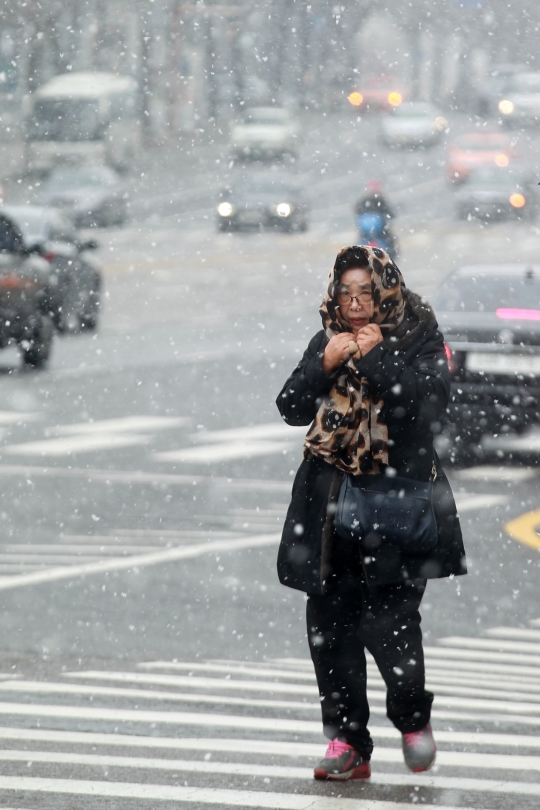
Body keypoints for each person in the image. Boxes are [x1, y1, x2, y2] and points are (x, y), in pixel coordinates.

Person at [276, 245, 466, 780]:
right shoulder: (327, 339)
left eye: (365, 292)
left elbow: (427, 406)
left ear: (386, 290)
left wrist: (378, 358)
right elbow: (291, 407)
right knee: (330, 630)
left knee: (391, 624)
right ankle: (347, 744)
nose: (355, 304)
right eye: (345, 293)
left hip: (396, 509)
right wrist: (326, 363)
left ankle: (411, 719)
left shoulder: (418, 336)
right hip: (330, 511)